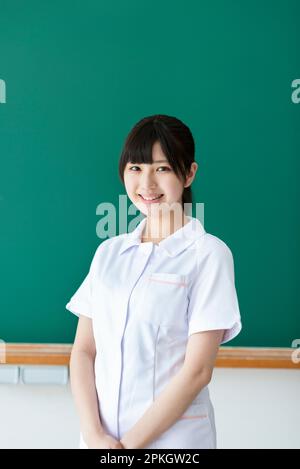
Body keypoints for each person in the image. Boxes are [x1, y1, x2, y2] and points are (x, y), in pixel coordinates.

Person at [66, 114, 242, 449]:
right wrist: (94, 435)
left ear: (188, 173)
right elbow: (84, 352)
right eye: (135, 167)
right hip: (101, 443)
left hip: (173, 445)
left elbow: (197, 371)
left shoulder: (209, 255)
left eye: (161, 168)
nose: (146, 184)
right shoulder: (108, 253)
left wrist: (129, 446)